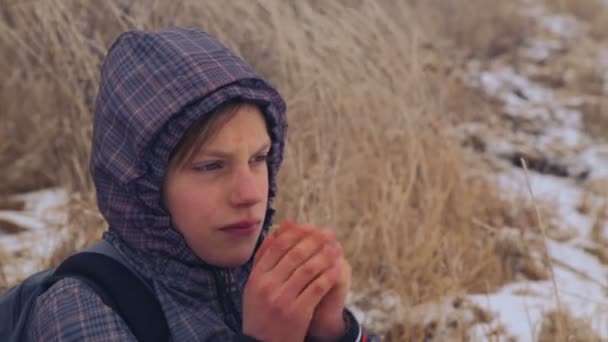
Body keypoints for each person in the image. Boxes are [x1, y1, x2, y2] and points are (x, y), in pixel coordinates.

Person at [26, 26, 375, 341]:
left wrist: (332, 333)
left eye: (258, 159)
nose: (251, 194)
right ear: (143, 189)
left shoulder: (271, 281)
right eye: (210, 166)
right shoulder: (80, 308)